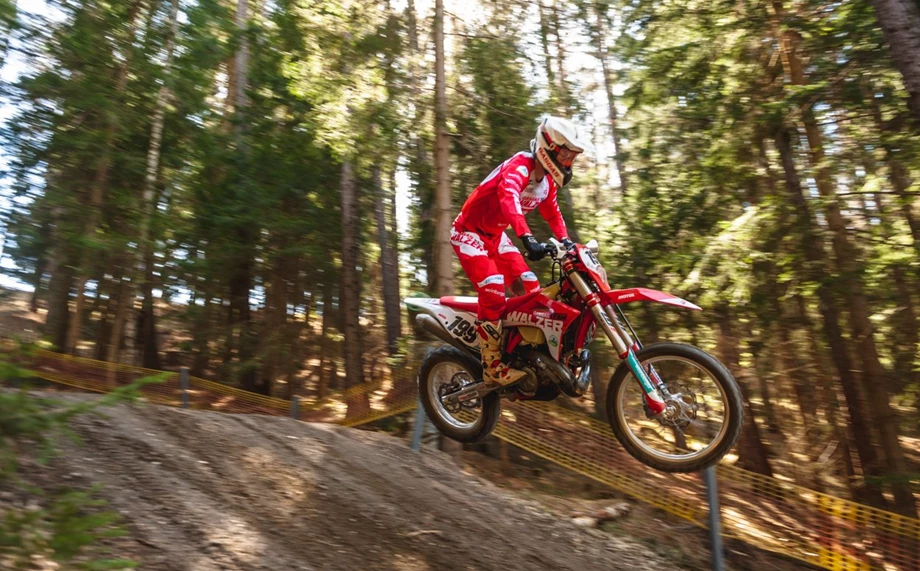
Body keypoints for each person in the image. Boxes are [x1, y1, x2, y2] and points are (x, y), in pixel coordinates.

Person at [450, 116, 593, 387]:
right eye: (565, 154)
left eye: (572, 157)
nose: (568, 162)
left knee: (531, 288)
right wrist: (526, 237)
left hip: (494, 236)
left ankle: (521, 353)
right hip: (467, 233)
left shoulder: (547, 183)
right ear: (547, 147)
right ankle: (492, 365)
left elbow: (553, 215)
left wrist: (568, 244)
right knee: (492, 288)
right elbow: (509, 199)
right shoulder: (519, 166)